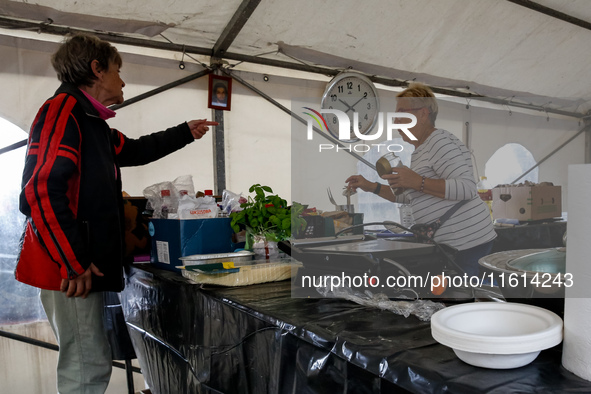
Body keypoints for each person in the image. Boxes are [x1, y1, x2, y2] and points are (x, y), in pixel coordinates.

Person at [14, 33, 217, 394]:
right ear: (96, 69)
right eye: (117, 71)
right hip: (71, 270)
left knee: (88, 360)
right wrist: (73, 261)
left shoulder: (92, 123)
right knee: (86, 367)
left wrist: (184, 133)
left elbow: (135, 149)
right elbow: (40, 191)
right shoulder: (63, 112)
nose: (122, 81)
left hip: (78, 265)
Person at [346, 82, 496, 277]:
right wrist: (371, 186)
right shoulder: (421, 150)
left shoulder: (439, 141)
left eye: (401, 113)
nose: (396, 121)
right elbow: (410, 197)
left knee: (465, 298)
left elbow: (467, 188)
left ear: (423, 114)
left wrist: (417, 181)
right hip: (455, 243)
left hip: (468, 242)